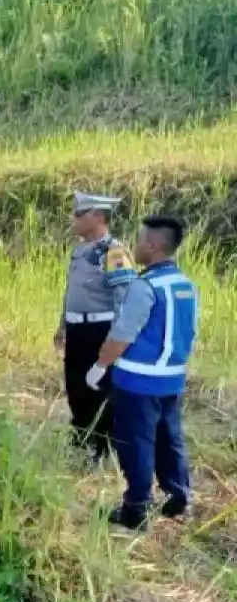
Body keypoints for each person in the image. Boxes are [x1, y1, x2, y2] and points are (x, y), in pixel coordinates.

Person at [87, 215, 198, 531]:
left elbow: (122, 334)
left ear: (151, 246)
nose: (134, 246)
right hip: (172, 379)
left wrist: (99, 367)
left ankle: (136, 508)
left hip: (138, 382)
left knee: (136, 443)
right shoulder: (184, 285)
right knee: (170, 438)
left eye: (138, 240)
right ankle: (178, 498)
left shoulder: (144, 286)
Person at [55, 191, 137, 467]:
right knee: (76, 387)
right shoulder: (79, 251)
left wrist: (114, 339)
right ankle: (81, 441)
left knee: (100, 389)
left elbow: (124, 299)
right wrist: (62, 324)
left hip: (100, 330)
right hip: (77, 329)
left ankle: (103, 448)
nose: (74, 219)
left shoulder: (114, 252)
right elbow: (71, 292)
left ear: (99, 217)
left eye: (80, 214)